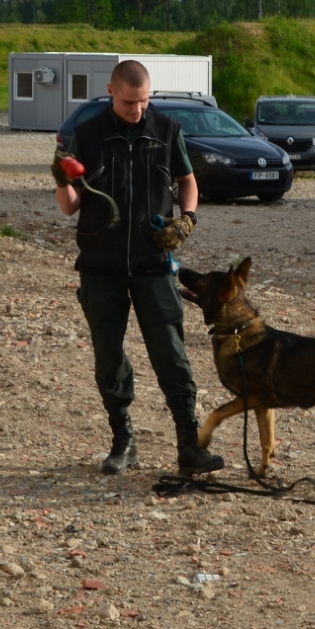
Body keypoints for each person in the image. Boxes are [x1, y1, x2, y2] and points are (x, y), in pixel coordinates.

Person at [53, 60, 225, 478]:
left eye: (144, 100)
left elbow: (187, 181)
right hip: (101, 266)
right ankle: (123, 442)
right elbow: (70, 206)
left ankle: (190, 445)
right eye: (130, 101)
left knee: (172, 355)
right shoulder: (87, 136)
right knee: (109, 358)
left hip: (153, 264)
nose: (137, 109)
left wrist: (187, 219)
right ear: (111, 91)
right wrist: (62, 178)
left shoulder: (166, 131)